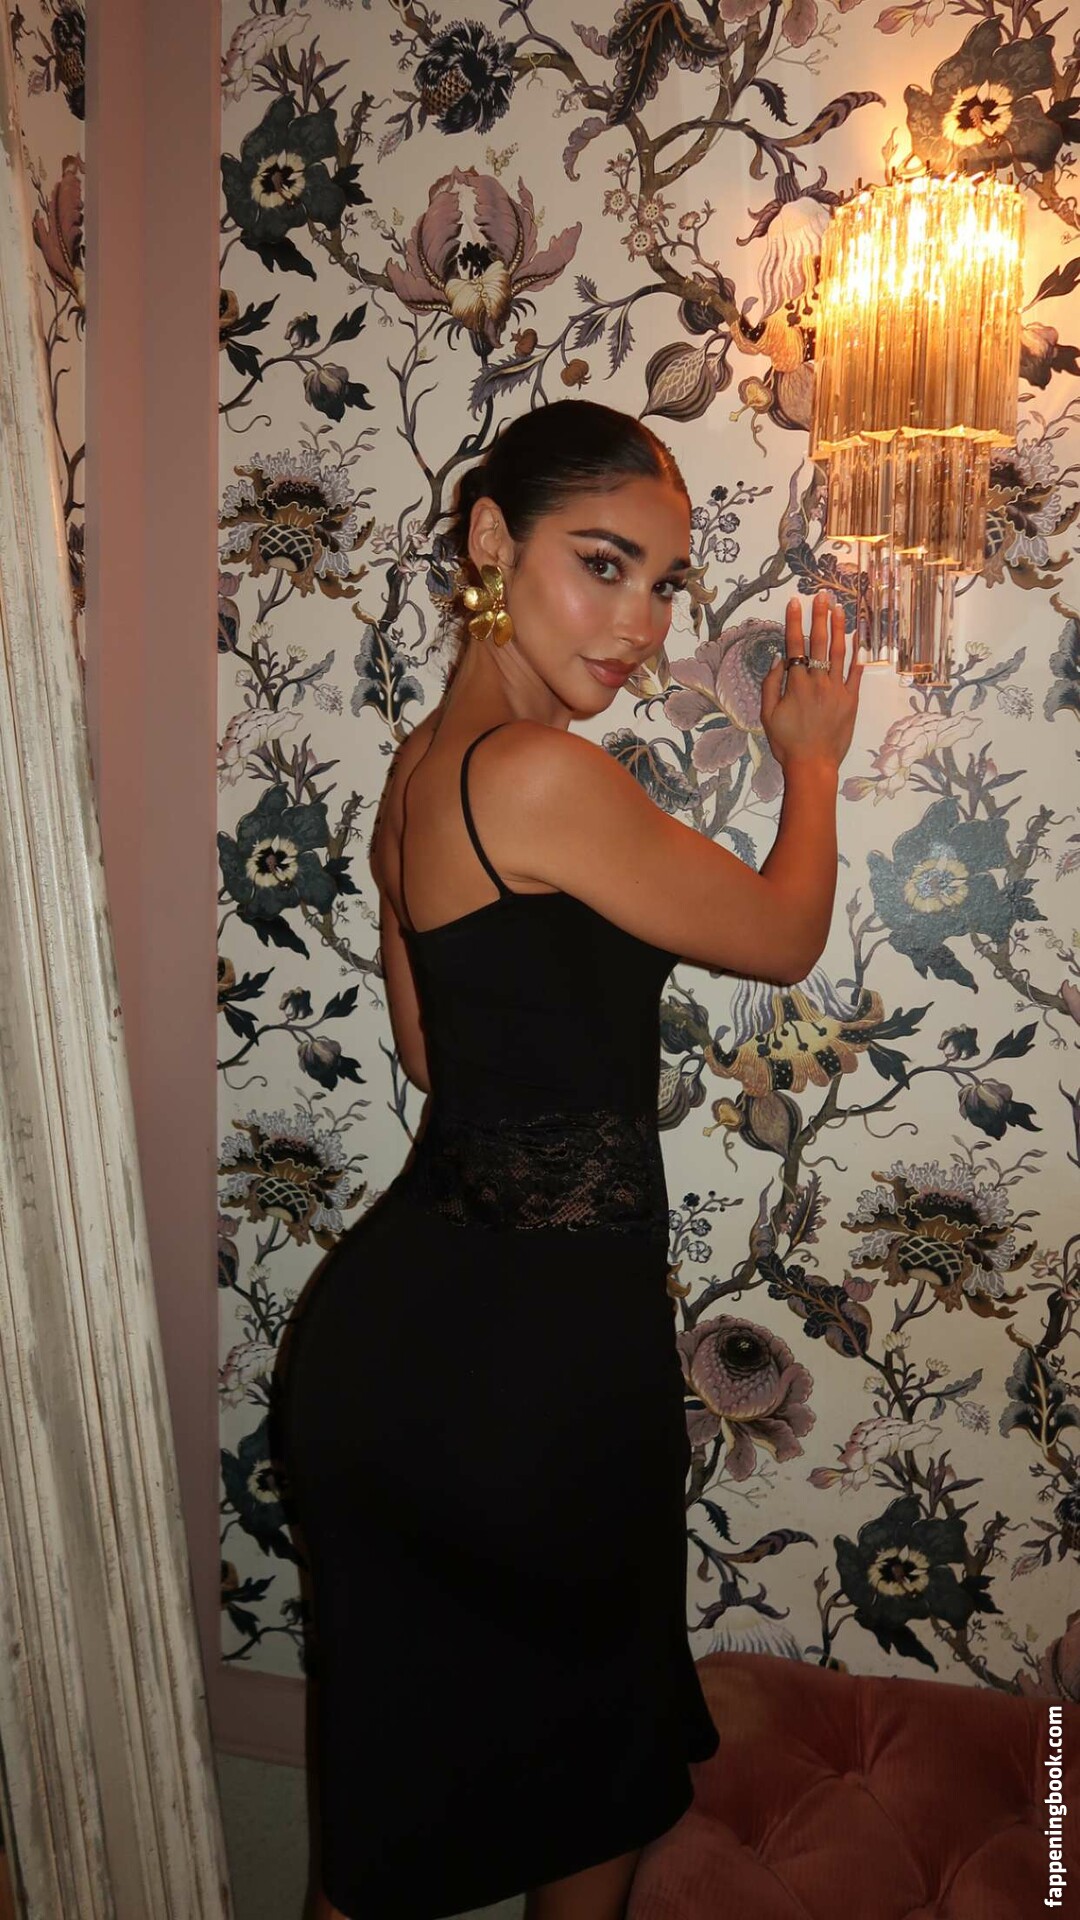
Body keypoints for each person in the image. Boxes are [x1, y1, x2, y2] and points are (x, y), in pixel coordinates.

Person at [276, 399, 864, 1920]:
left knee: (394, 1822)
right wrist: (810, 761)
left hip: (404, 1356)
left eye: (665, 584)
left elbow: (432, 1058)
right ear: (492, 541)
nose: (643, 626)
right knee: (591, 1774)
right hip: (528, 1371)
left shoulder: (424, 768)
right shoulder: (539, 775)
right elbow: (784, 937)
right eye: (604, 565)